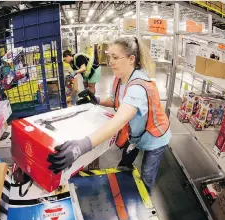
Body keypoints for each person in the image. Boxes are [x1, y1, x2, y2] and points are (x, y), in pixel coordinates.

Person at [49, 37, 172, 195]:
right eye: (109, 57)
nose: (110, 61)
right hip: (135, 135)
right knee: (125, 162)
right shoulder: (119, 78)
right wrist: (96, 99)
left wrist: (83, 145)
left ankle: (145, 200)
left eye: (115, 57)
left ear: (131, 59)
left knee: (147, 174)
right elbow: (115, 101)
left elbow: (120, 119)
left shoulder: (139, 87)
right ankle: (123, 186)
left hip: (154, 137)